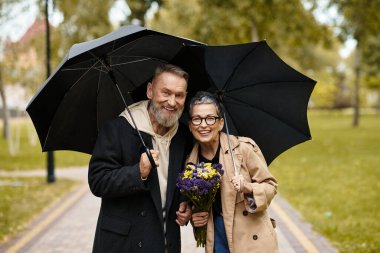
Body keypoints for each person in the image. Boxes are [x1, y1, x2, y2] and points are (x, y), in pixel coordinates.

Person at [88, 64, 194, 253]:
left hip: (165, 242)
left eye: (179, 95)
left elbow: (177, 183)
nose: (172, 101)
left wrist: (186, 202)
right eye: (166, 92)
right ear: (150, 91)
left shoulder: (184, 135)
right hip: (124, 244)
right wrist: (138, 172)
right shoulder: (118, 129)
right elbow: (97, 181)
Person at [187, 91, 279, 253]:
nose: (203, 124)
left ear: (221, 123)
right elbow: (195, 204)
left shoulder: (242, 149)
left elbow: (270, 186)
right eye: (197, 119)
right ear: (190, 125)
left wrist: (248, 188)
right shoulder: (190, 161)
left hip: (250, 237)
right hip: (216, 236)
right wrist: (194, 217)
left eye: (210, 118)